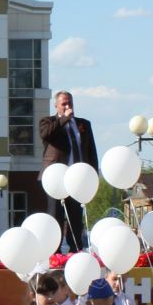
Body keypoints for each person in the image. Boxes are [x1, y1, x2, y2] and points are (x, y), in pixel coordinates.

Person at [36, 90, 98, 251]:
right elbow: (45, 135)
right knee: (55, 214)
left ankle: (75, 248)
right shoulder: (47, 122)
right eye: (64, 104)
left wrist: (93, 175)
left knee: (75, 216)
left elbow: (91, 151)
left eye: (70, 103)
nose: (68, 106)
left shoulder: (83, 124)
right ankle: (54, 251)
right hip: (55, 178)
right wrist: (64, 119)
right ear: (56, 105)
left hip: (77, 178)